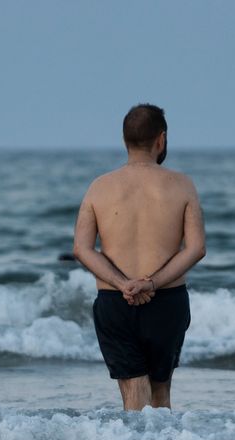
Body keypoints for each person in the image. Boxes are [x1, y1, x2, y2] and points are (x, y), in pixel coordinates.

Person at [73, 103, 206, 411]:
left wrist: (123, 284)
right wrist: (151, 283)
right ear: (161, 139)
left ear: (124, 141)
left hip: (115, 303)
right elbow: (196, 248)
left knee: (133, 391)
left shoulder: (99, 187)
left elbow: (81, 249)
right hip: (167, 300)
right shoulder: (182, 185)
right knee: (161, 394)